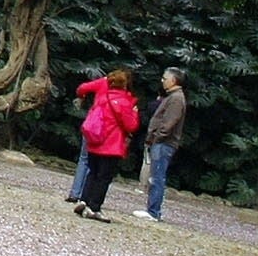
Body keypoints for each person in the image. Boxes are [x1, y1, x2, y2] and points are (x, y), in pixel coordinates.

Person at [67, 66, 142, 221]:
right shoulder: (123, 102)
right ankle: (94, 207)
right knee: (104, 177)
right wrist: (134, 112)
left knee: (92, 172)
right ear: (125, 85)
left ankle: (84, 200)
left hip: (95, 141)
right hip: (111, 145)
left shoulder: (102, 98)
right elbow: (131, 126)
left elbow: (83, 89)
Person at [139, 67, 188, 223]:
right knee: (155, 176)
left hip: (164, 143)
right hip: (161, 142)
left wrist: (157, 138)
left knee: (157, 177)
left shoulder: (176, 99)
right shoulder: (172, 97)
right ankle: (152, 209)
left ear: (173, 80)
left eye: (164, 78)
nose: (162, 80)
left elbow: (169, 123)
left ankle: (153, 211)